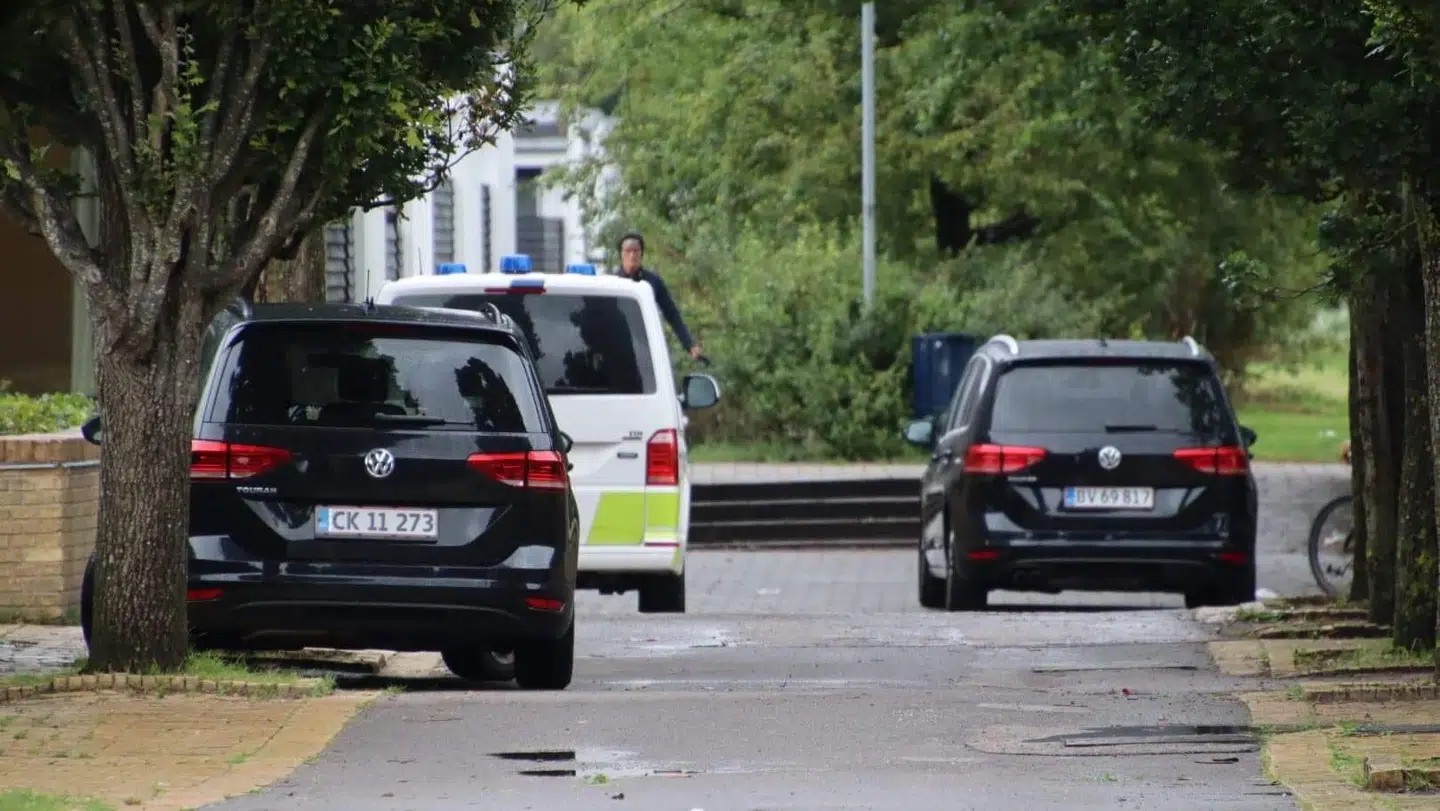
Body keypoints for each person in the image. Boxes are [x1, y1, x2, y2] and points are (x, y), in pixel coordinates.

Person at [615, 232, 704, 360]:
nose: (632, 256)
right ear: (621, 254)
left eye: (636, 251)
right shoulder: (611, 281)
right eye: (628, 251)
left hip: (646, 346)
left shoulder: (652, 281)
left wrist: (689, 345)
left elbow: (672, 314)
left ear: (641, 254)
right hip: (619, 346)